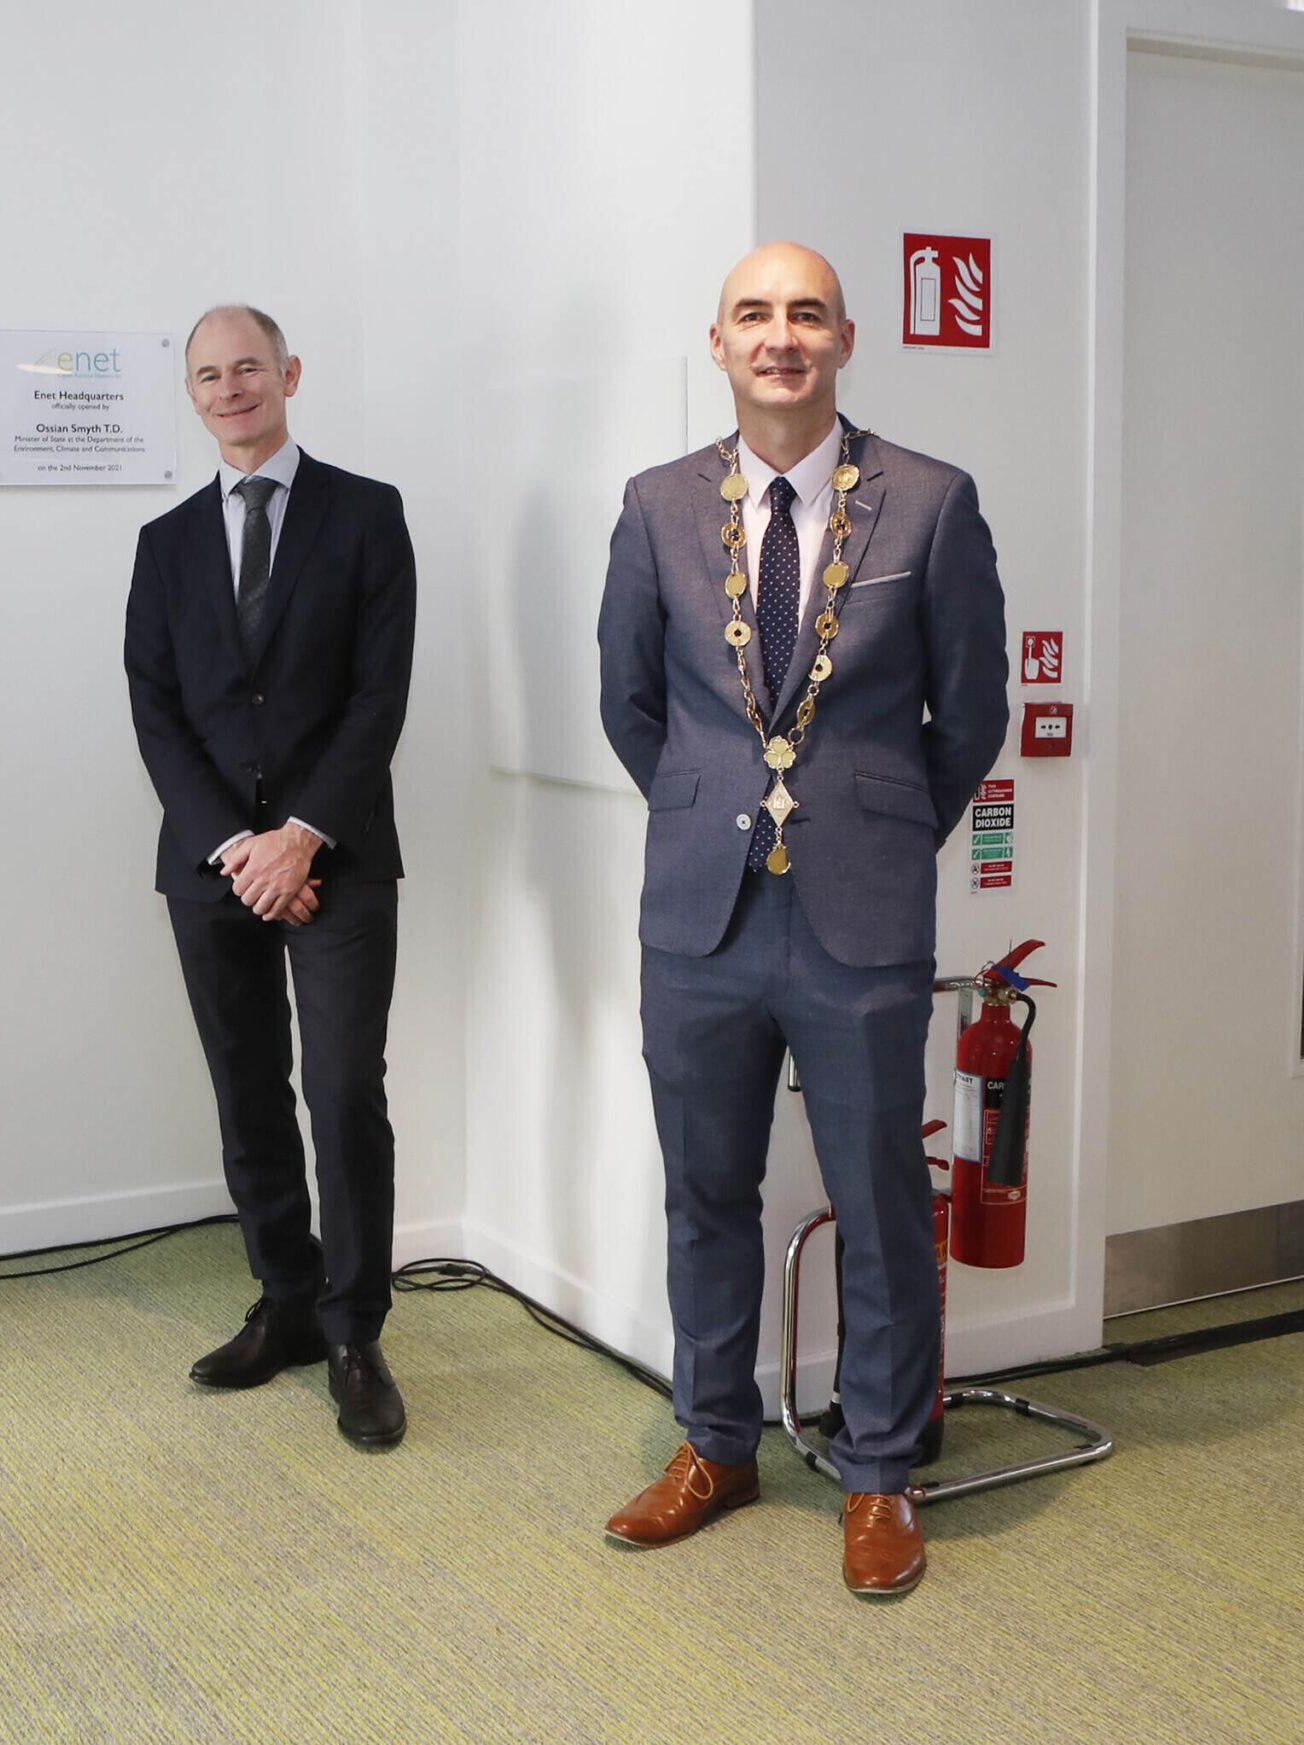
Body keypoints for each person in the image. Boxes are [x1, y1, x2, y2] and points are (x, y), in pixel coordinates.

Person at [595, 243, 1008, 1595]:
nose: (782, 336)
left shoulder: (934, 503)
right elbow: (630, 705)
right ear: (717, 342)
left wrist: (880, 830)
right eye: (756, 315)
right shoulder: (655, 506)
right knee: (705, 1192)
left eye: (807, 314)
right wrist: (710, 804)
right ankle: (714, 1443)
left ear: (845, 340)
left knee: (882, 1197)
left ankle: (882, 1469)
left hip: (860, 915)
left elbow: (972, 714)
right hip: (699, 917)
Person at [124, 305, 418, 1448]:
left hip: (337, 859)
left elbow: (377, 697)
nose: (230, 387)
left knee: (341, 1092)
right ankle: (286, 1299)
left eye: (248, 365)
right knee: (246, 1091)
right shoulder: (164, 542)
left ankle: (355, 1329)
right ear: (192, 395)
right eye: (208, 374)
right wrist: (239, 849)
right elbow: (156, 713)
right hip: (212, 870)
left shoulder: (367, 513)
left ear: (287, 373)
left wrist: (300, 835)